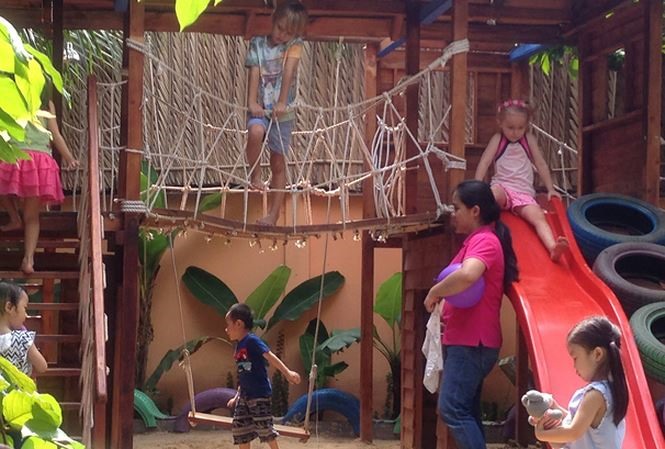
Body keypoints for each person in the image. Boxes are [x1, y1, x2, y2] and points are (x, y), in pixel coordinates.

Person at [423, 180, 519, 449]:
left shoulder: (485, 241)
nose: (453, 213)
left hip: (472, 343)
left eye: (457, 208)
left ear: (475, 211)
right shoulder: (478, 240)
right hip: (467, 341)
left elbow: (467, 275)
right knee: (466, 410)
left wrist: (434, 292)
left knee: (452, 408)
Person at [475, 99, 568, 262]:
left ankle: (552, 247)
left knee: (538, 217)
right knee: (491, 197)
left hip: (523, 193)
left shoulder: (528, 139)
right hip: (503, 187)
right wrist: (477, 185)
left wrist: (551, 188)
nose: (515, 132)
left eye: (520, 128)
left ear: (526, 126)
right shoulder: (498, 139)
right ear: (500, 123)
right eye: (510, 128)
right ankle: (482, 235)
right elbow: (485, 161)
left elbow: (540, 163)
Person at [244, 1, 308, 225]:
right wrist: (252, 102)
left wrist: (282, 102)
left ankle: (273, 215)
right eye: (280, 28)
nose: (282, 35)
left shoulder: (295, 45)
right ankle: (255, 175)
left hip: (283, 113)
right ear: (274, 20)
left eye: (288, 32)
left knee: (278, 163)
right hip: (261, 108)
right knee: (255, 133)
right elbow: (254, 72)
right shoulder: (257, 43)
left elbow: (289, 70)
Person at [0, 98, 79, 274]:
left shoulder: (9, 95)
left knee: (7, 193)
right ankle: (28, 260)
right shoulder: (45, 103)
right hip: (39, 161)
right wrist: (69, 158)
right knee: (32, 215)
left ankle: (14, 218)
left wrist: (69, 158)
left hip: (17, 156)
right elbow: (55, 134)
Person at [535, 316, 628, 449]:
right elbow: (578, 422)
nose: (574, 365)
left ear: (597, 354)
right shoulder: (611, 390)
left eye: (575, 358)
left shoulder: (596, 395)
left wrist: (541, 435)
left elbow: (573, 432)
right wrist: (555, 407)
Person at [225, 303, 301, 448]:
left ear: (239, 324)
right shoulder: (239, 346)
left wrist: (287, 373)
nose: (226, 329)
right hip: (244, 396)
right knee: (240, 429)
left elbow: (270, 356)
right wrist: (236, 396)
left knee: (265, 429)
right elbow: (244, 373)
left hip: (259, 395)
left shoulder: (252, 341)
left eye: (228, 325)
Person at [0, 282, 47, 375]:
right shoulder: (22, 339)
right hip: (17, 385)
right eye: (25, 308)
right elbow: (42, 367)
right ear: (9, 307)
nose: (26, 315)